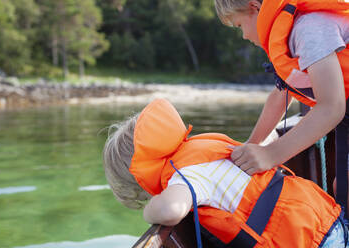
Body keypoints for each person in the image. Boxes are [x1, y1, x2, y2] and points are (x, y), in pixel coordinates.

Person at [102, 98, 347, 247]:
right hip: (327, 217)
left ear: (139, 173)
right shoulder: (205, 145)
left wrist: (150, 210)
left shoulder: (184, 175)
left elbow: (171, 210)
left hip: (305, 240)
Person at [214, 0, 349, 215]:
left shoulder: (308, 29)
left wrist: (270, 155)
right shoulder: (288, 37)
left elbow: (331, 107)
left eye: (239, 26)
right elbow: (279, 97)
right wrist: (251, 144)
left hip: (341, 111)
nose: (244, 36)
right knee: (342, 188)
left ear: (254, 8)